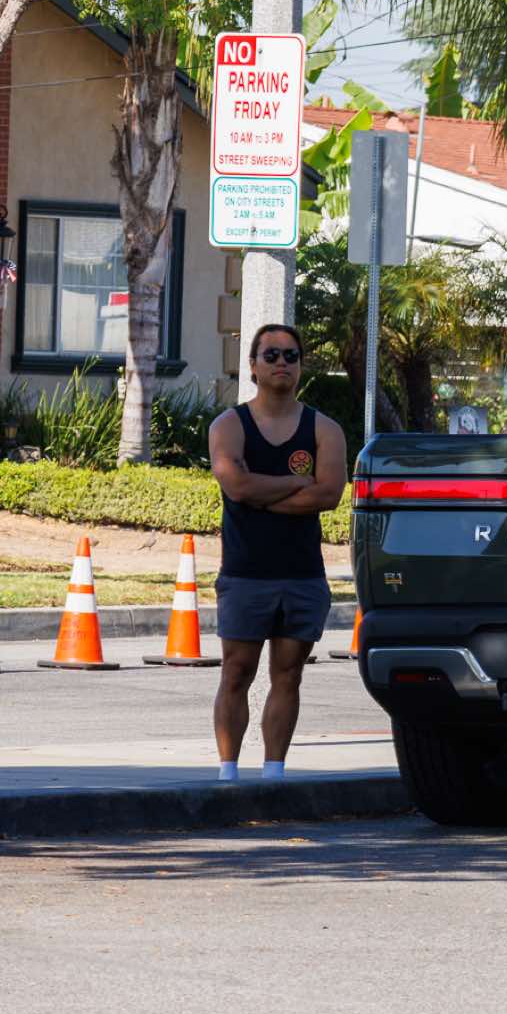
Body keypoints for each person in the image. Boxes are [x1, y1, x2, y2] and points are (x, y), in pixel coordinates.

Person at [206, 325, 347, 779]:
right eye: (271, 355)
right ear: (253, 366)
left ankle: (274, 774)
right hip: (245, 573)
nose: (281, 362)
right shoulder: (230, 425)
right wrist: (295, 482)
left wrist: (261, 495)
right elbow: (237, 485)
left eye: (291, 355)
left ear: (301, 365)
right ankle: (228, 774)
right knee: (236, 671)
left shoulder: (324, 429)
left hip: (302, 575)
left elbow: (329, 494)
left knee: (289, 674)